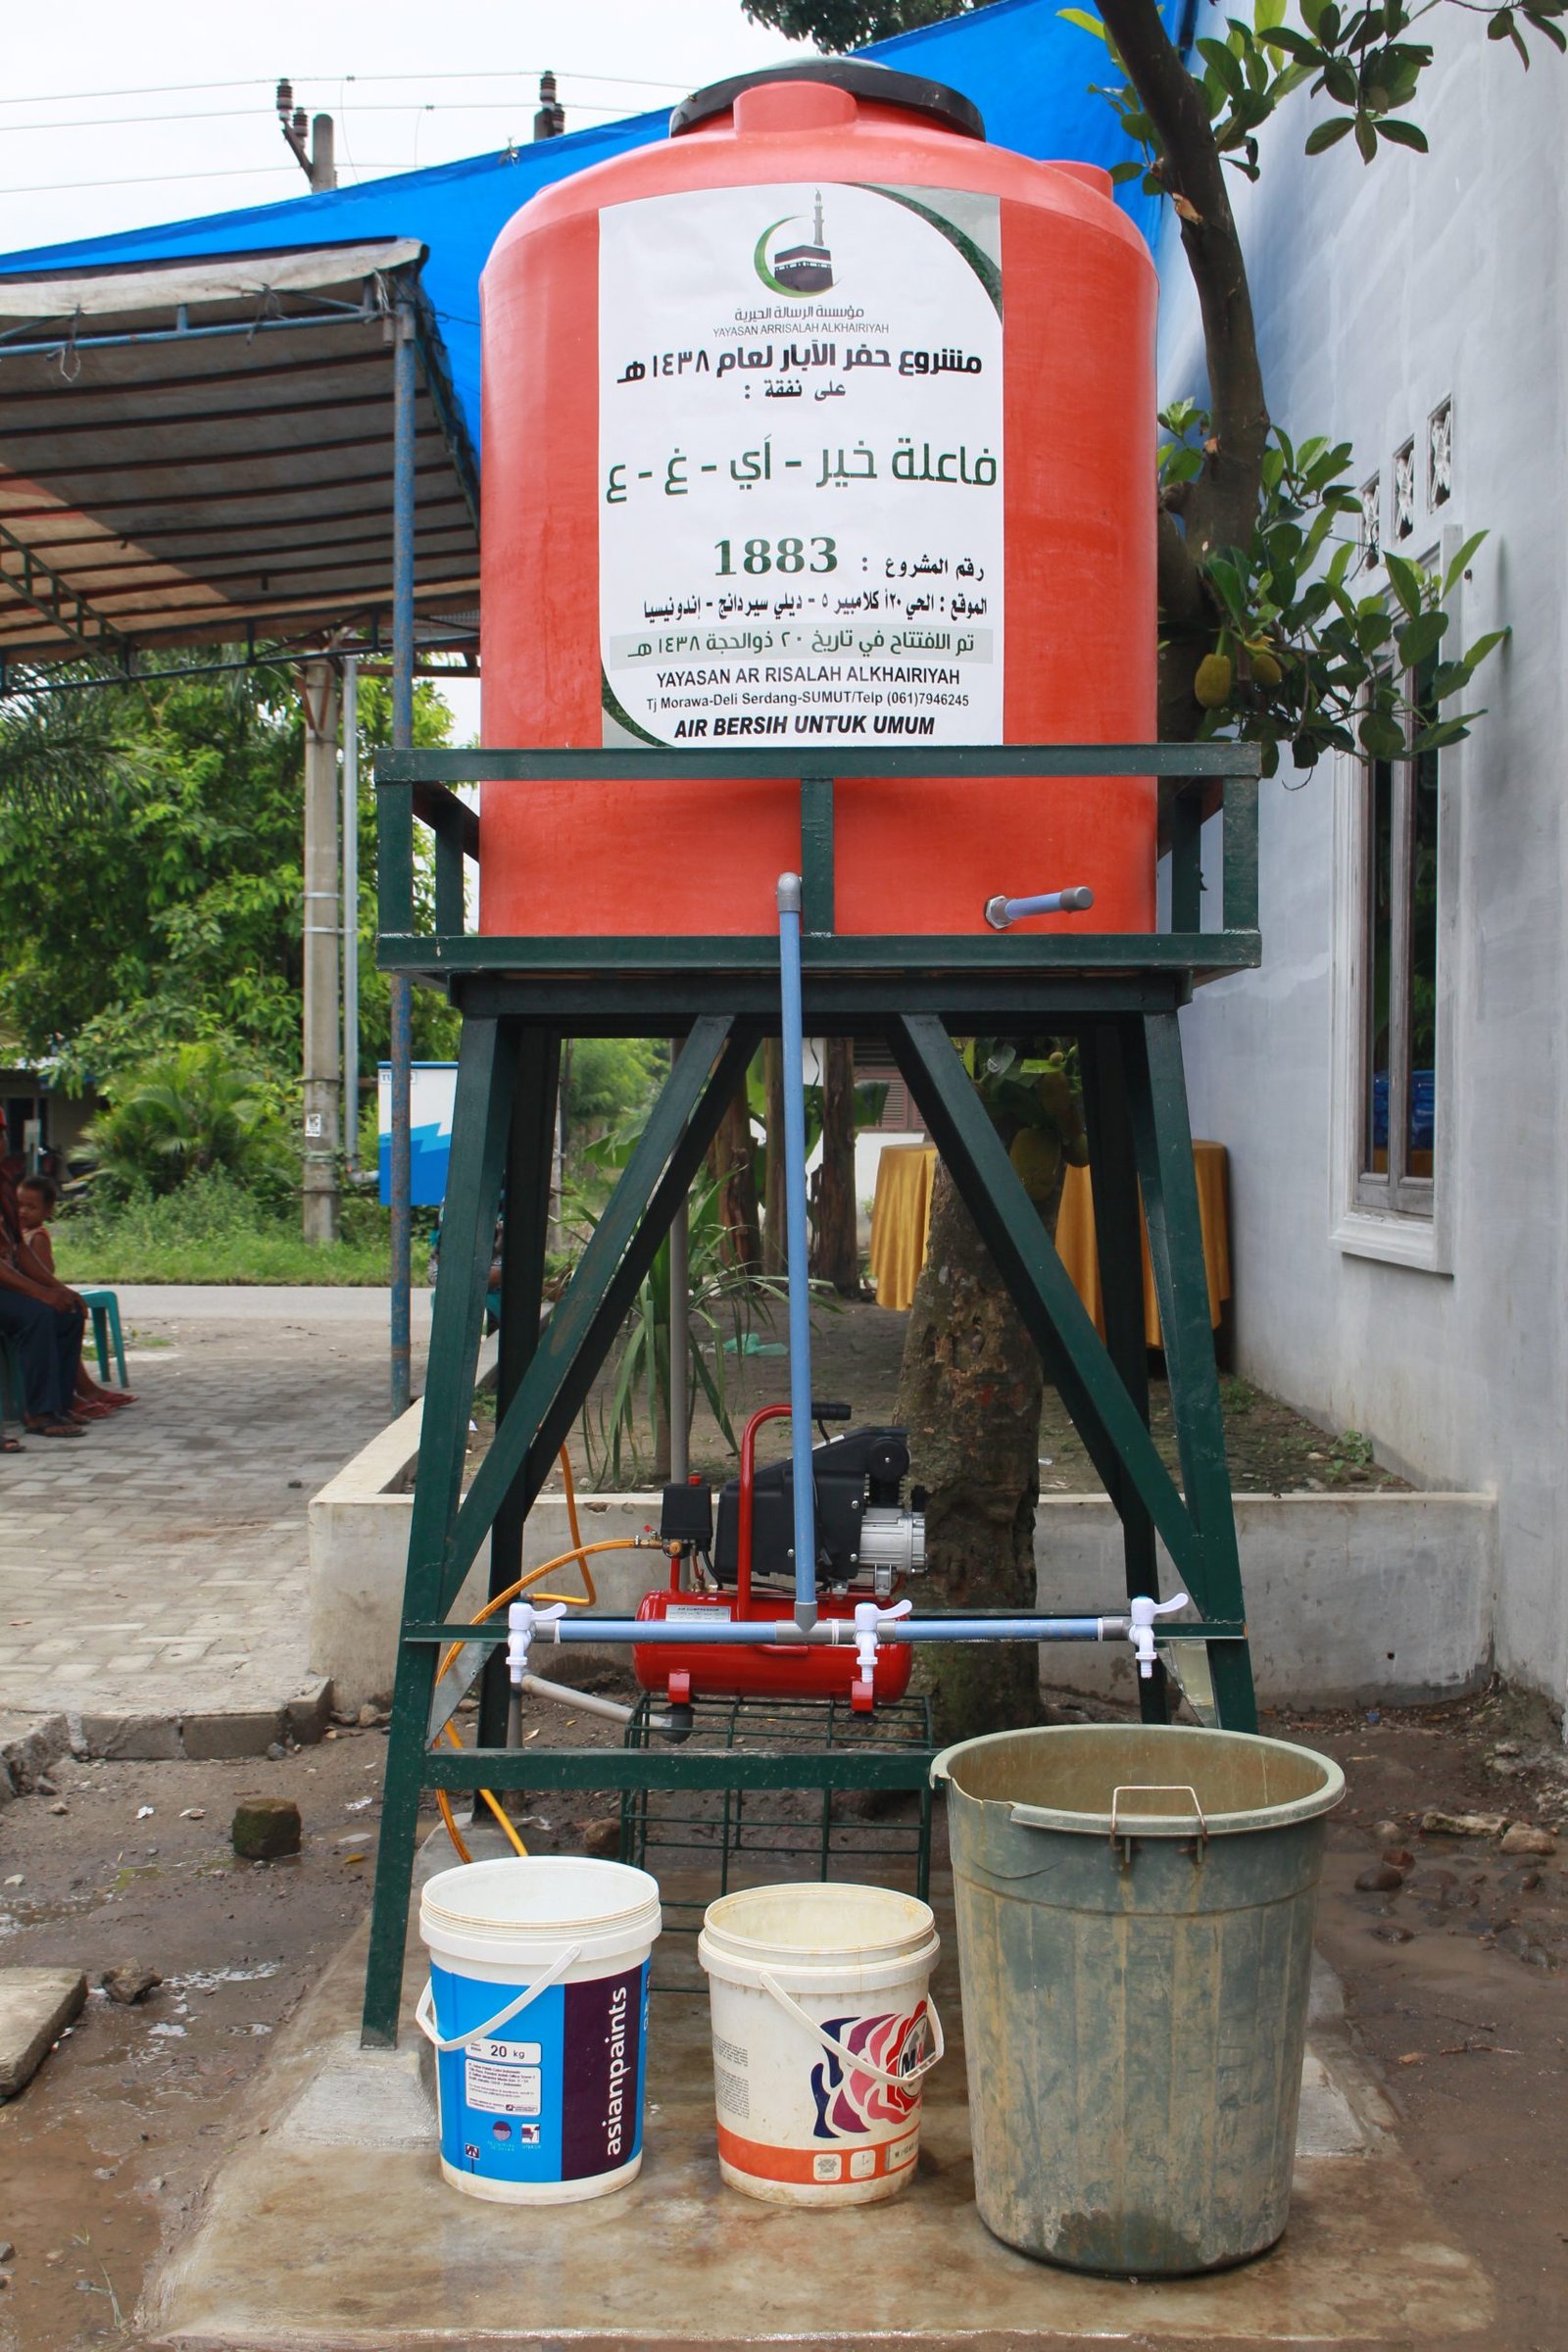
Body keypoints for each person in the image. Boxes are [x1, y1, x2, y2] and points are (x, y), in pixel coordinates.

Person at [15, 1175, 135, 1416]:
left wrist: (53, 1291)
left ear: (47, 1211)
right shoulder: (16, 1230)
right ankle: (71, 1394)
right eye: (19, 1205)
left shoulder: (36, 1236)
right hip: (23, 1295)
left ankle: (73, 1393)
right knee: (48, 1319)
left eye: (31, 1207)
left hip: (32, 1292)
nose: (23, 1211)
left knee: (64, 1315)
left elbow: (42, 1273)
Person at [0, 1167, 82, 1441]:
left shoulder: (5, 1186)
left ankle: (59, 1405)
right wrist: (40, 1293)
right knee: (37, 1314)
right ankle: (39, 1412)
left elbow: (19, 1249)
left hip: (8, 1285)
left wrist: (59, 1290)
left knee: (69, 1310)